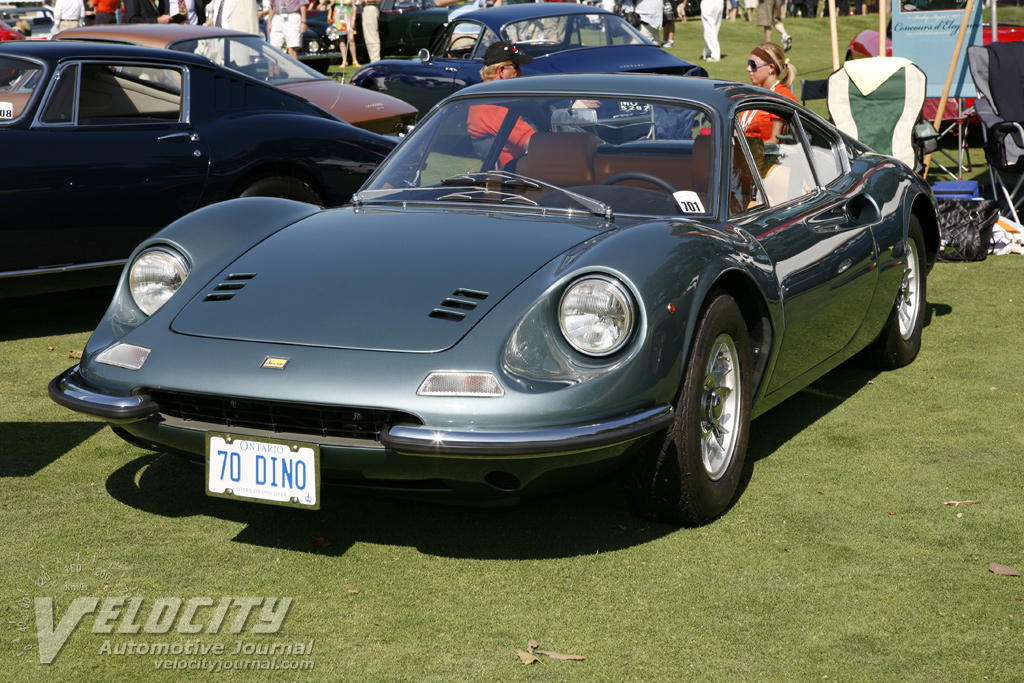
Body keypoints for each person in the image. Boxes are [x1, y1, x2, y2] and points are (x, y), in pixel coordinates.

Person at [466, 42, 536, 168]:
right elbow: (535, 146)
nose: (521, 73)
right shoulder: (492, 105)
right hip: (516, 179)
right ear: (502, 70)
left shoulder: (485, 98)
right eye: (516, 67)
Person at [739, 42, 797, 143]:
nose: (748, 69)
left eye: (753, 65)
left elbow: (774, 142)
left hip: (761, 156)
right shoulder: (753, 93)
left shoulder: (780, 96)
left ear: (771, 68)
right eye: (748, 64)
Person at [330, 0, 359, 68]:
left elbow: (354, 6)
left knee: (351, 38)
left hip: (348, 15)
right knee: (341, 38)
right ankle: (344, 60)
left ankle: (354, 60)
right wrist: (329, 16)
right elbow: (331, 5)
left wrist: (353, 19)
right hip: (338, 16)